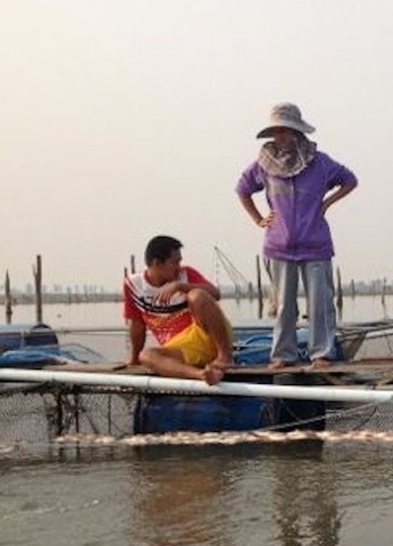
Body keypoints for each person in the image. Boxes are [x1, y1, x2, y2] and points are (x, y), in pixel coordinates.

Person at [235, 102, 358, 369]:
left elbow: (350, 179)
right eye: (277, 131)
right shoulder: (263, 164)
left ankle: (321, 353)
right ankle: (283, 355)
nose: (281, 137)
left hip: (315, 243)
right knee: (283, 306)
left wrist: (326, 203)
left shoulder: (320, 162)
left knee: (320, 304)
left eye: (286, 131)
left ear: (297, 132)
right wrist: (258, 218)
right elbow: (242, 189)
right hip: (278, 244)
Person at [124, 235, 235, 385]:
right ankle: (202, 375)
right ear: (157, 263)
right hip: (182, 349)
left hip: (207, 335)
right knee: (147, 356)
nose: (178, 267)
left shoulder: (185, 275)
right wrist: (134, 357)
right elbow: (137, 324)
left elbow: (215, 294)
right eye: (174, 262)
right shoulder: (134, 285)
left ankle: (225, 356)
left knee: (197, 296)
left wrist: (181, 286)